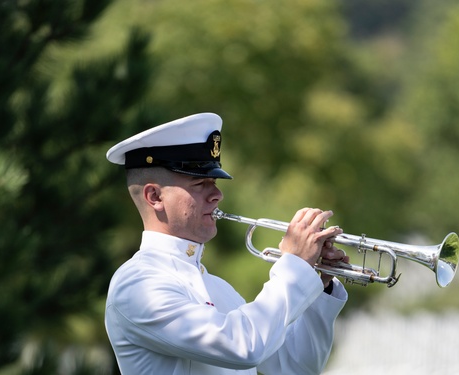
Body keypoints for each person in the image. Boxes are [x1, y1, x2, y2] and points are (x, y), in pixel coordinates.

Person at [104, 113, 349, 375]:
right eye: (200, 183)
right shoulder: (138, 285)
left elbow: (295, 367)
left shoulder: (217, 288)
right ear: (154, 196)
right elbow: (243, 347)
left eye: (215, 182)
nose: (217, 195)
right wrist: (295, 266)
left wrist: (317, 284)